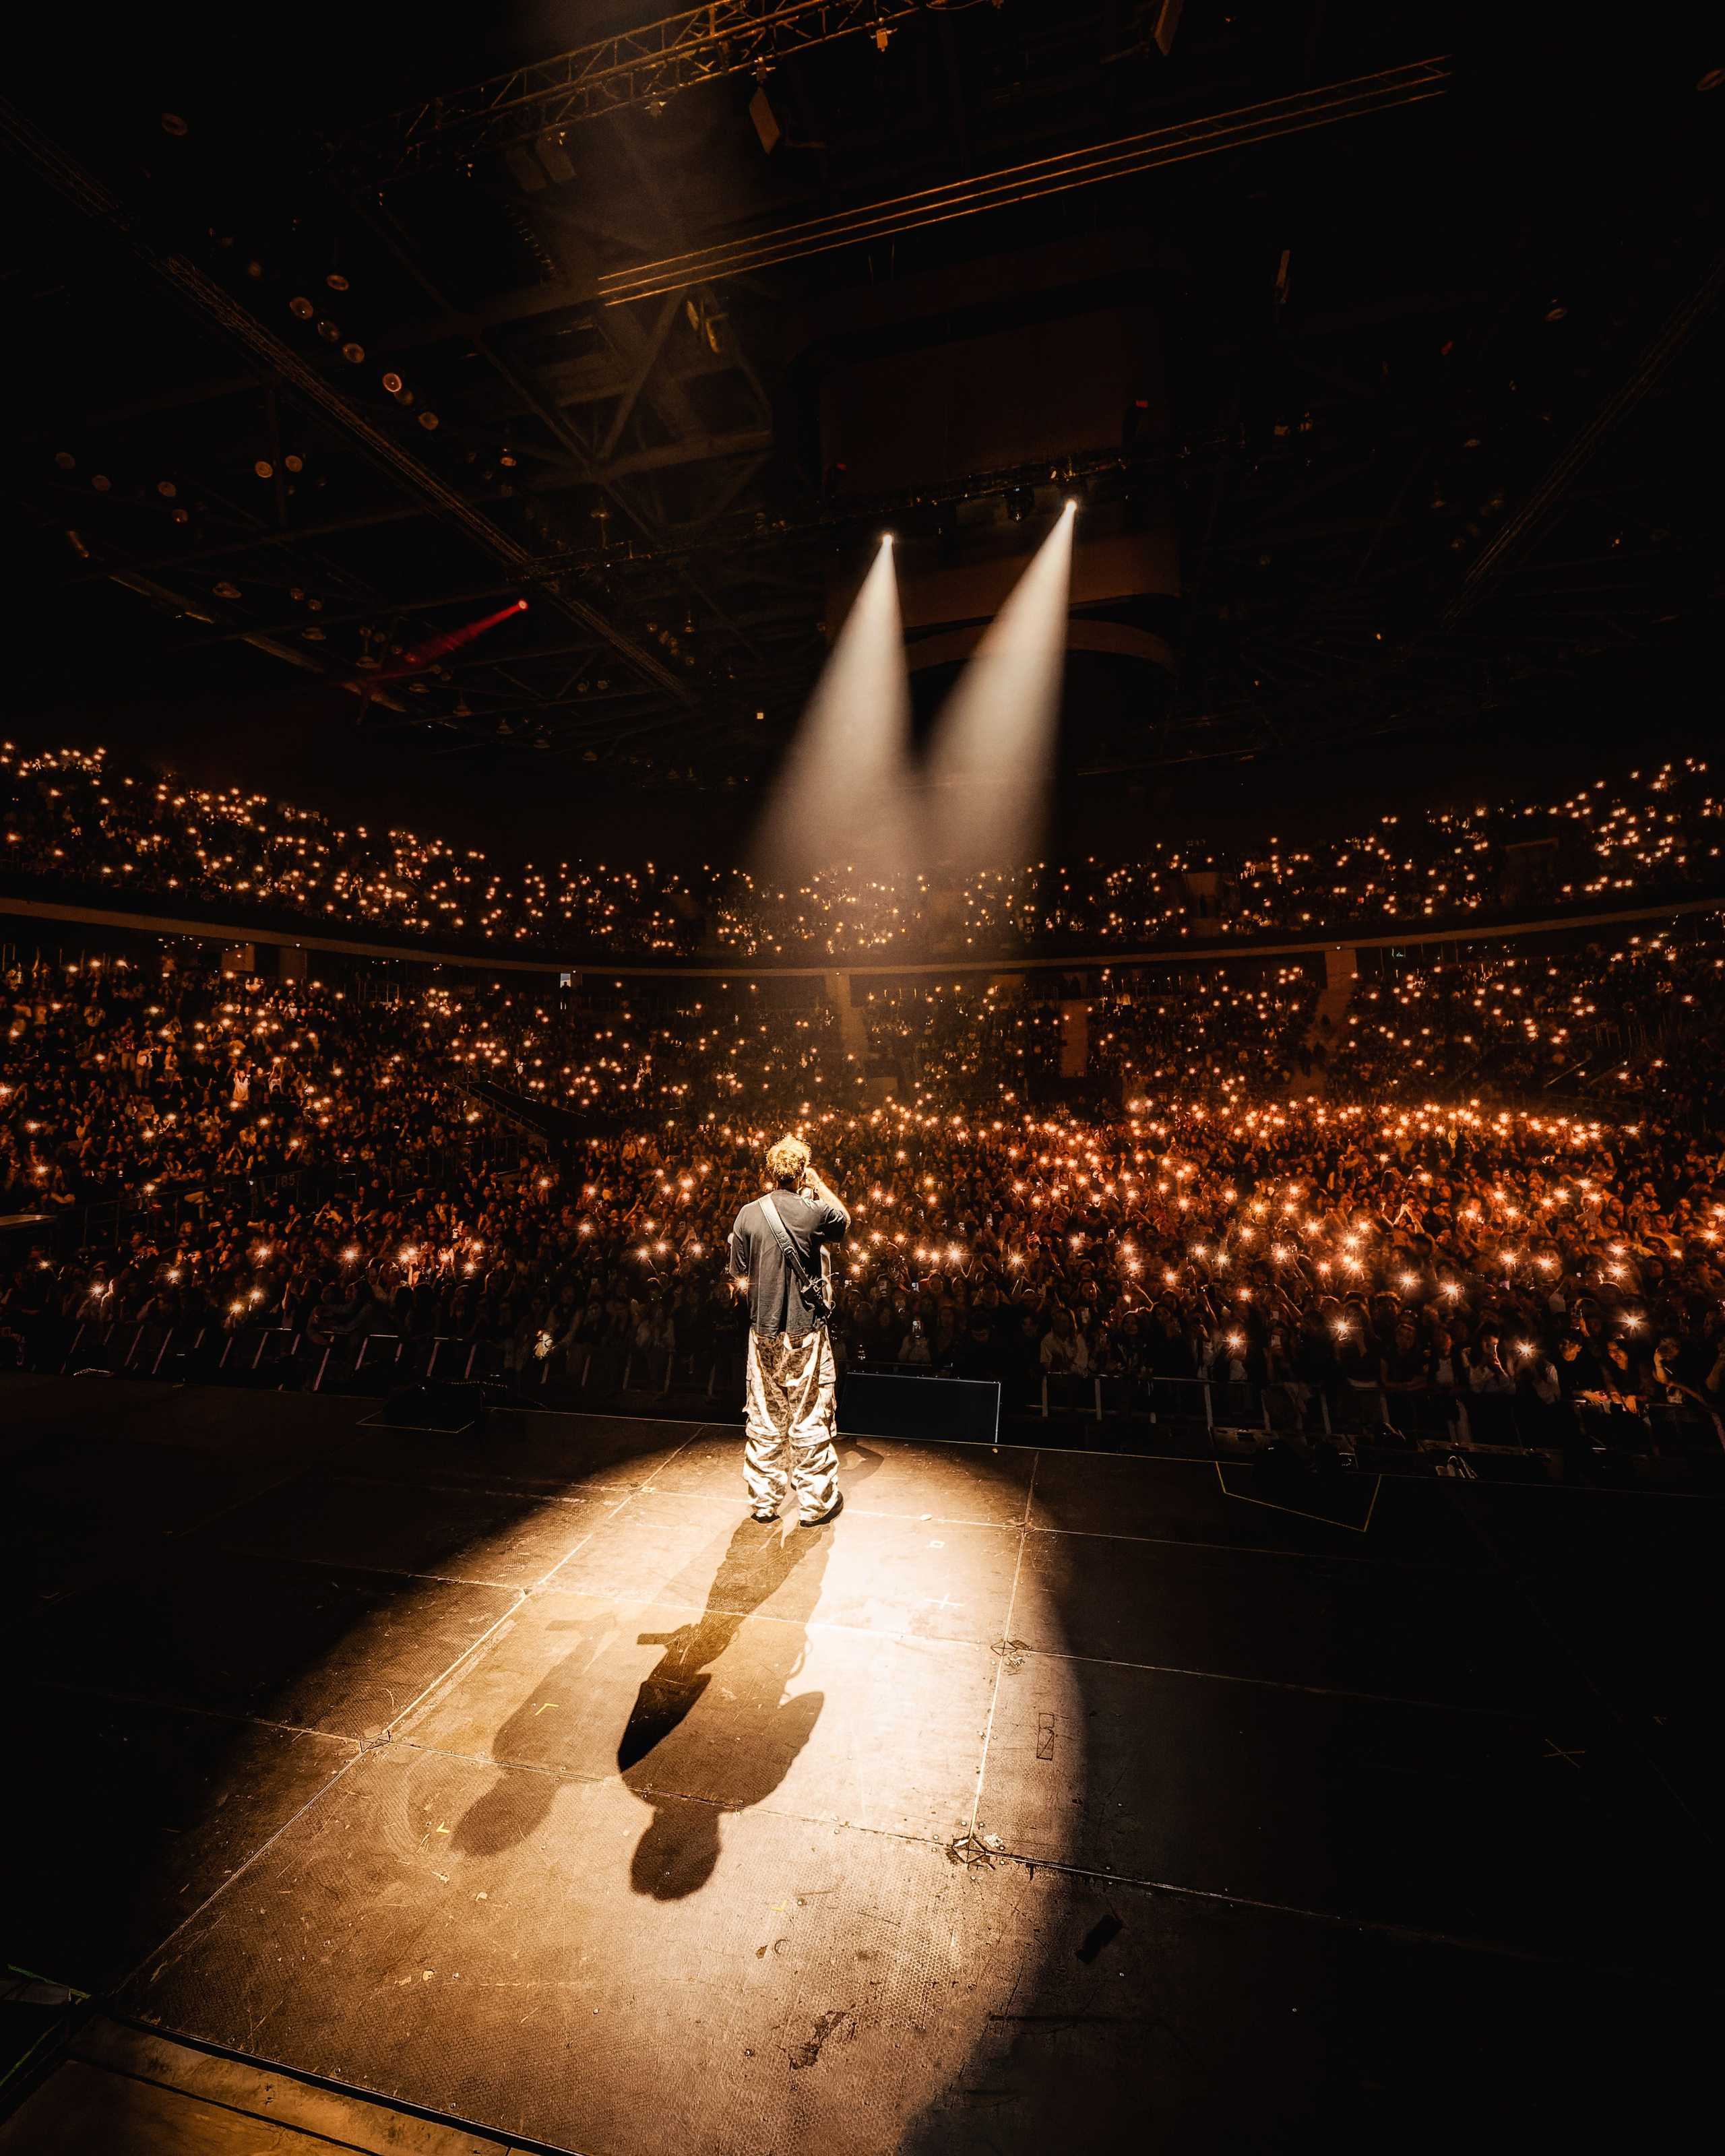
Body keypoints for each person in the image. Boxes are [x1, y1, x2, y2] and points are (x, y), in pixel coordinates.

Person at [727, 1133, 849, 1527]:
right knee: (810, 1413)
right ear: (801, 1171)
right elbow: (843, 1221)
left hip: (762, 1333)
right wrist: (818, 1184)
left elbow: (738, 1273)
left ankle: (764, 1502)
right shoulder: (813, 1211)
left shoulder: (747, 1213)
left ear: (770, 1171)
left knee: (765, 1414)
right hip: (805, 1332)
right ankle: (814, 1505)